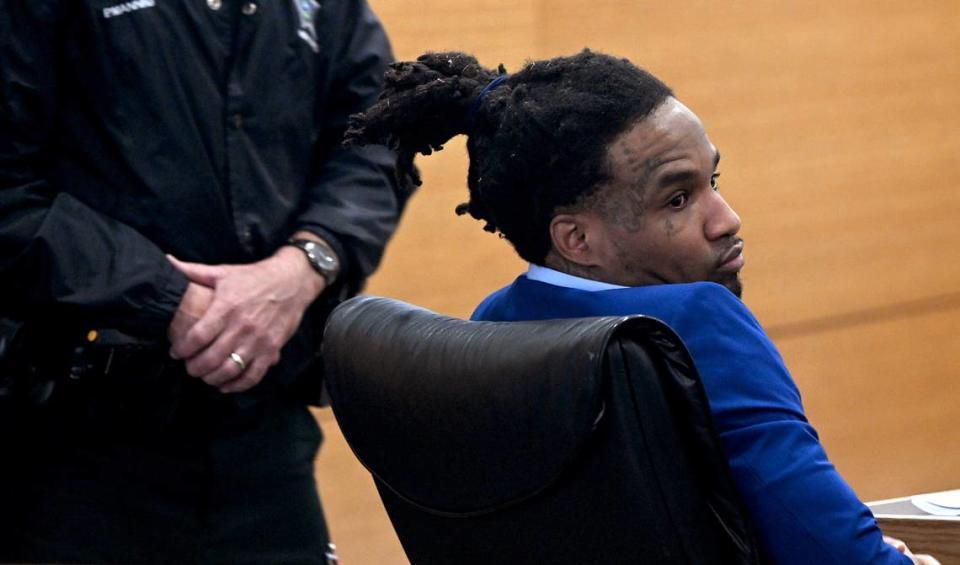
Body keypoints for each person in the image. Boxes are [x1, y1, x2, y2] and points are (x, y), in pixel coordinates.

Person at [344, 50, 940, 564]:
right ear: (577, 240)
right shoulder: (699, 322)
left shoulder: (490, 327)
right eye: (678, 199)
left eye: (715, 179)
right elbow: (829, 547)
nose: (726, 219)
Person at [0, 1, 405, 563]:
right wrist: (172, 300)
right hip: (74, 442)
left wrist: (303, 264)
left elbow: (379, 140)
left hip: (262, 430)